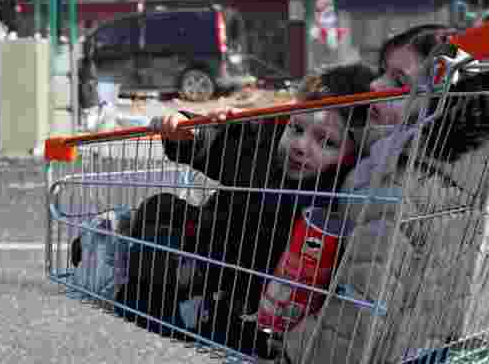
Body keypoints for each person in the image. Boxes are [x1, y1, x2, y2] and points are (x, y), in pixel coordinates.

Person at [283, 25, 489, 364]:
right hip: (424, 345)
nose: (376, 86)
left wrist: (296, 348)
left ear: (441, 100)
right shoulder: (464, 166)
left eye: (398, 82)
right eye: (382, 72)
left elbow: (361, 302)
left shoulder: (398, 179)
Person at [150, 63, 379, 357]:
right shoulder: (264, 148)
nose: (300, 146)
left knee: (153, 292)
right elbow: (221, 142)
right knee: (160, 209)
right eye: (296, 128)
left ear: (352, 154)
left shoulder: (334, 199)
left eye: (327, 142)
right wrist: (186, 130)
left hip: (246, 294)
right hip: (208, 244)